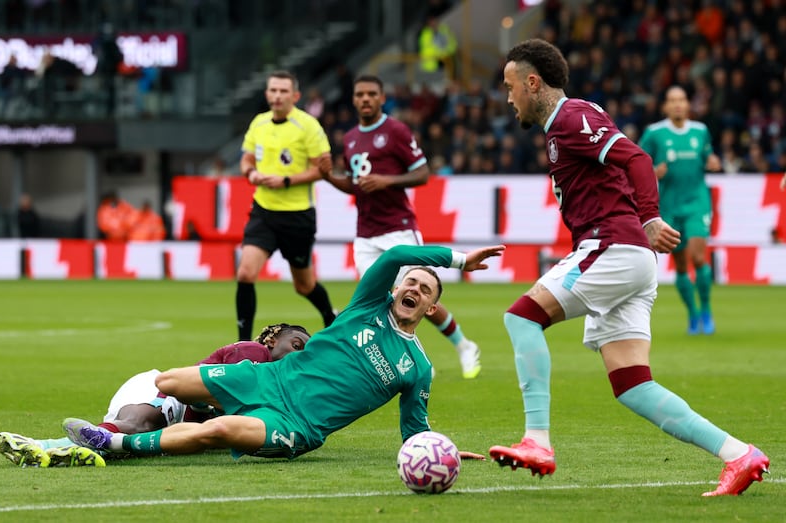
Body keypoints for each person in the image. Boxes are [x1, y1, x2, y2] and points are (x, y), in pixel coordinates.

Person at [487, 39, 769, 497]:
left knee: (521, 317)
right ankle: (739, 454)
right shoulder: (564, 126)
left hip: (612, 247)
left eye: (510, 86)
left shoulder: (572, 117)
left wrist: (650, 216)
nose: (508, 96)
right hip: (629, 257)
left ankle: (537, 441)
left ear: (532, 82)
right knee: (633, 385)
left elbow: (636, 158)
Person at [62, 244, 504, 461]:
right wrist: (459, 260)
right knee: (169, 382)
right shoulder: (367, 305)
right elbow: (397, 254)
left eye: (425, 290)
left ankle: (115, 442)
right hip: (268, 378)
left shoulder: (419, 368)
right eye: (411, 282)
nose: (415, 288)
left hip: (297, 424)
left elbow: (413, 430)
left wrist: (438, 451)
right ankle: (195, 415)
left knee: (223, 430)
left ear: (430, 308)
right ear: (395, 289)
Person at [322, 74, 482, 379]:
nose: (365, 99)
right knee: (380, 300)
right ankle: (409, 361)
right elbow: (357, 186)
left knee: (418, 295)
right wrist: (330, 177)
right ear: (354, 99)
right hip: (365, 234)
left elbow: (422, 173)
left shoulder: (395, 131)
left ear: (382, 98)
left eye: (371, 94)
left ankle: (464, 345)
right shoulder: (351, 137)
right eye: (360, 94)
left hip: (398, 228)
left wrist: (388, 180)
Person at [0, 323, 310, 468]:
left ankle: (48, 452)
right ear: (271, 338)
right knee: (136, 428)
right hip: (162, 395)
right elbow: (206, 396)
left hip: (174, 416)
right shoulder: (252, 355)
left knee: (124, 448)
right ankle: (44, 445)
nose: (297, 356)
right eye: (296, 344)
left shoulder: (269, 388)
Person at [235, 70, 337, 341]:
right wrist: (252, 173)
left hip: (297, 216)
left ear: (295, 96)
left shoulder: (308, 126)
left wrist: (287, 180)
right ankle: (242, 343)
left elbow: (323, 168)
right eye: (273, 90)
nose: (277, 96)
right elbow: (246, 159)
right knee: (245, 272)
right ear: (267, 93)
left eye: (283, 91)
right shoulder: (259, 123)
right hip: (263, 211)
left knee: (304, 286)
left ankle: (330, 317)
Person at [639, 85, 721, 335]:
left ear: (688, 105)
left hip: (697, 202)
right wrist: (653, 173)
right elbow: (636, 165)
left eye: (682, 100)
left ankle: (706, 310)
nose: (677, 104)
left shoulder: (700, 131)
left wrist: (712, 161)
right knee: (682, 265)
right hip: (669, 206)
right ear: (665, 106)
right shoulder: (654, 133)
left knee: (698, 257)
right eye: (672, 100)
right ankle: (693, 314)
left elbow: (708, 156)